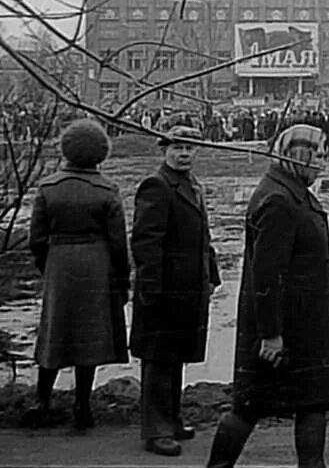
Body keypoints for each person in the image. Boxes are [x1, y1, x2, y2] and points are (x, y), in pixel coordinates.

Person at [206, 125, 329, 468]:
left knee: (312, 402)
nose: (324, 164)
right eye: (319, 156)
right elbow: (265, 275)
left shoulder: (291, 191)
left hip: (302, 325)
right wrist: (271, 334)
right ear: (299, 155)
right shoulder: (279, 200)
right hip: (286, 330)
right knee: (250, 406)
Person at [24, 119, 130, 430]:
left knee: (54, 331)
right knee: (90, 335)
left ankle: (42, 400)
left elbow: (36, 239)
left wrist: (48, 266)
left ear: (66, 150)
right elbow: (118, 243)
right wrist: (122, 280)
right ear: (101, 153)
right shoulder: (108, 190)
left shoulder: (48, 188)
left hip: (59, 262)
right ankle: (82, 406)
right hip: (97, 264)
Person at [130, 124, 222, 457]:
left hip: (189, 288)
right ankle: (156, 431)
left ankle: (173, 419)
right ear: (163, 151)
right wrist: (151, 289)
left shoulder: (192, 184)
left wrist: (211, 276)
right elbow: (145, 240)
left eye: (189, 148)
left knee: (176, 358)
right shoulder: (157, 186)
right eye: (176, 148)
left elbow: (203, 238)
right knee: (158, 361)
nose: (183, 154)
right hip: (163, 290)